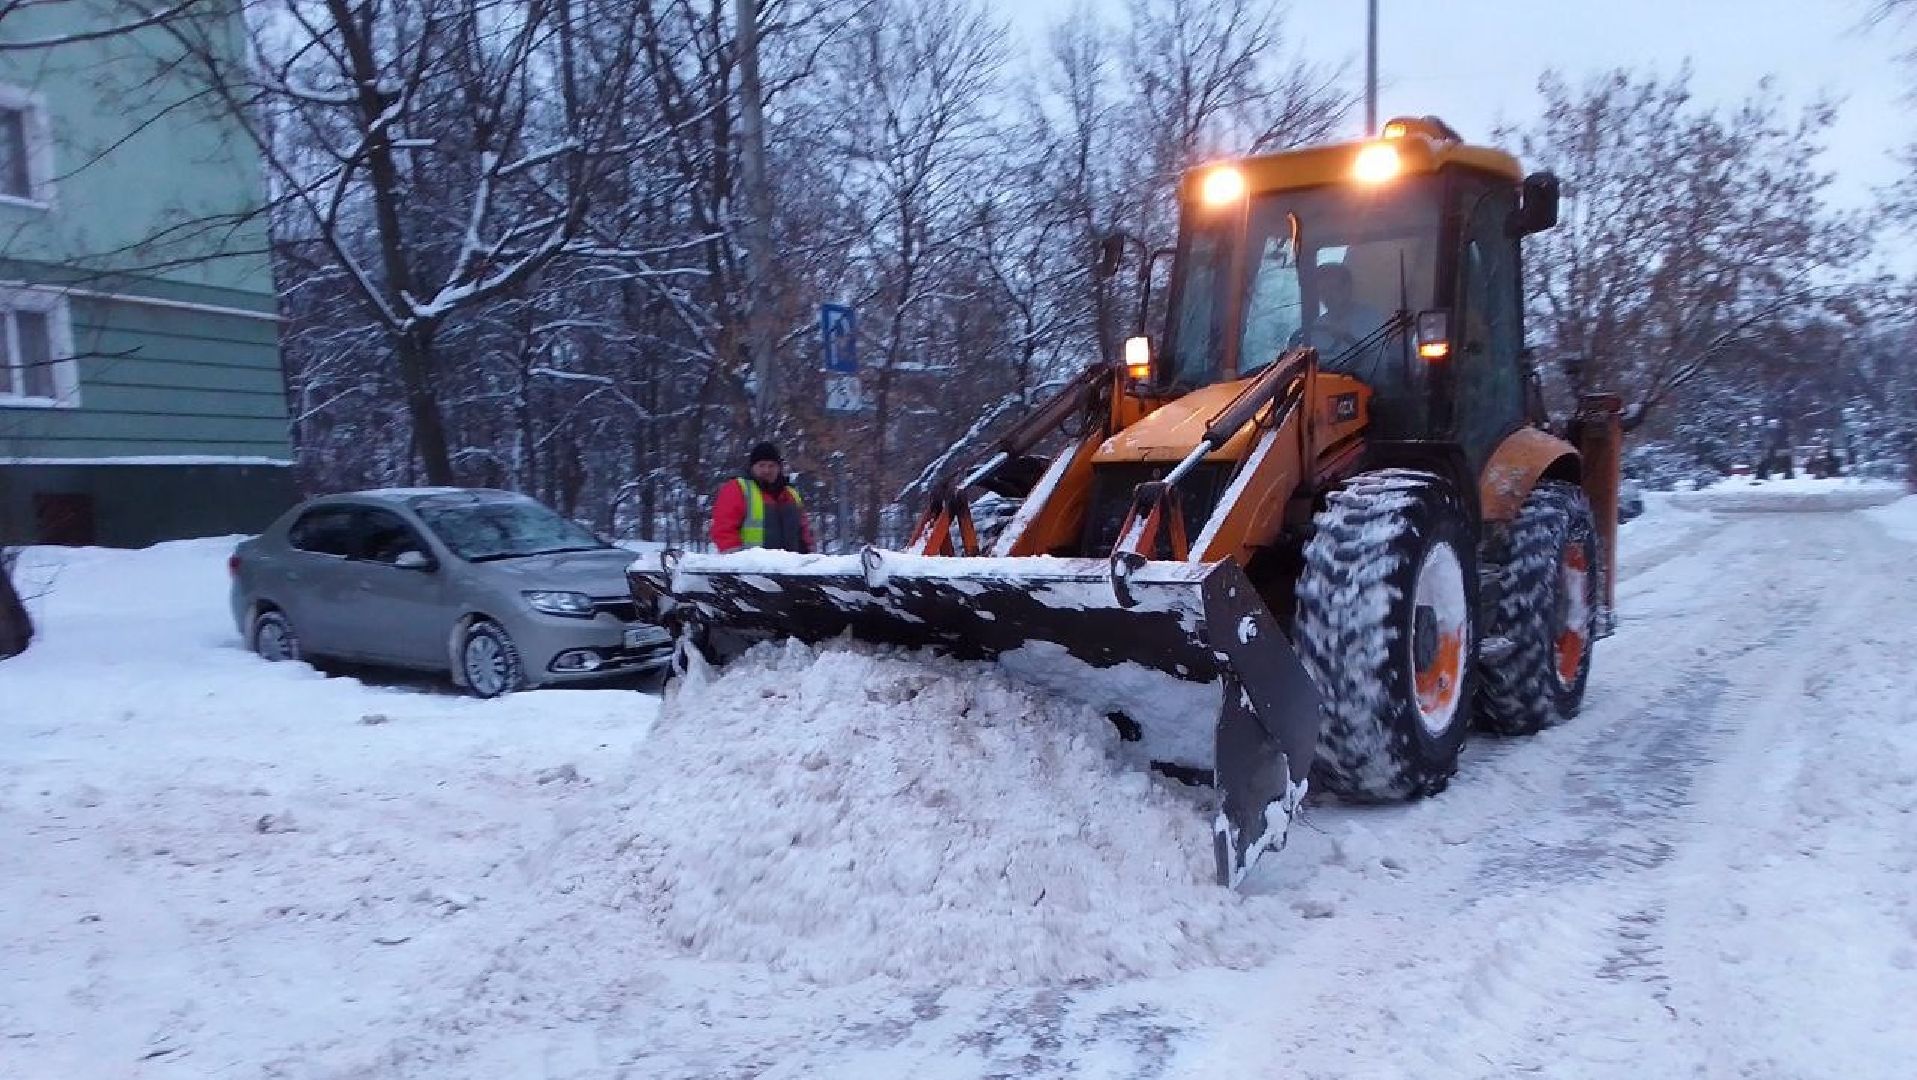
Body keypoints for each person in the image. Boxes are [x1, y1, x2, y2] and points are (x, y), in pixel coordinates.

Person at [710, 442, 815, 554]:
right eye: (762, 465)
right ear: (752, 467)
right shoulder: (737, 489)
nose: (766, 470)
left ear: (779, 468)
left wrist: (807, 558)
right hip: (752, 568)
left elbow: (804, 533)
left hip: (789, 568)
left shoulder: (791, 495)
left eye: (771, 466)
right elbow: (724, 530)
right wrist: (737, 563)